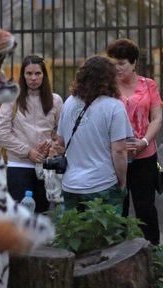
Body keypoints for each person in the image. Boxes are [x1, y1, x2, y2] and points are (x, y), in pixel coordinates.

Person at [56, 55, 133, 214]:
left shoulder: (69, 102)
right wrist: (123, 182)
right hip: (102, 185)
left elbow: (60, 142)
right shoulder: (114, 107)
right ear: (109, 78)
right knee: (105, 235)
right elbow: (119, 151)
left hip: (71, 184)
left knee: (74, 236)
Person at [106, 38, 163, 245]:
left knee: (145, 207)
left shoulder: (148, 85)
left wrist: (145, 141)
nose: (117, 68)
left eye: (122, 63)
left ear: (134, 63)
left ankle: (153, 251)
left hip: (144, 155)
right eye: (113, 63)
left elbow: (157, 118)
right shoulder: (107, 87)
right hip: (115, 155)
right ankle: (116, 253)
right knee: (117, 207)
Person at [0, 55, 63, 212]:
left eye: (38, 73)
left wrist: (53, 146)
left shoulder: (56, 100)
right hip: (18, 165)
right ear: (23, 75)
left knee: (41, 215)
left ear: (44, 75)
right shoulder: (12, 99)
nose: (33, 78)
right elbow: (1, 132)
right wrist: (27, 151)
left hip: (46, 167)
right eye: (29, 73)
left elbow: (62, 132)